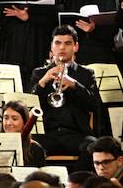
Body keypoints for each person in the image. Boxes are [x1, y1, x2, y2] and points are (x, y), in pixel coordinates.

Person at [30, 25, 99, 166]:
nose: (62, 48)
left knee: (93, 146)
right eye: (58, 43)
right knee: (30, 146)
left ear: (76, 47)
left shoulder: (86, 74)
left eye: (68, 43)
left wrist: (75, 85)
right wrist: (43, 81)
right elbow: (29, 107)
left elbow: (94, 104)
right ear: (51, 47)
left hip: (77, 134)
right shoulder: (38, 73)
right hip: (48, 133)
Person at [3, 100, 46, 167]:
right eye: (6, 118)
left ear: (25, 122)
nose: (8, 123)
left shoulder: (35, 149)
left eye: (14, 119)